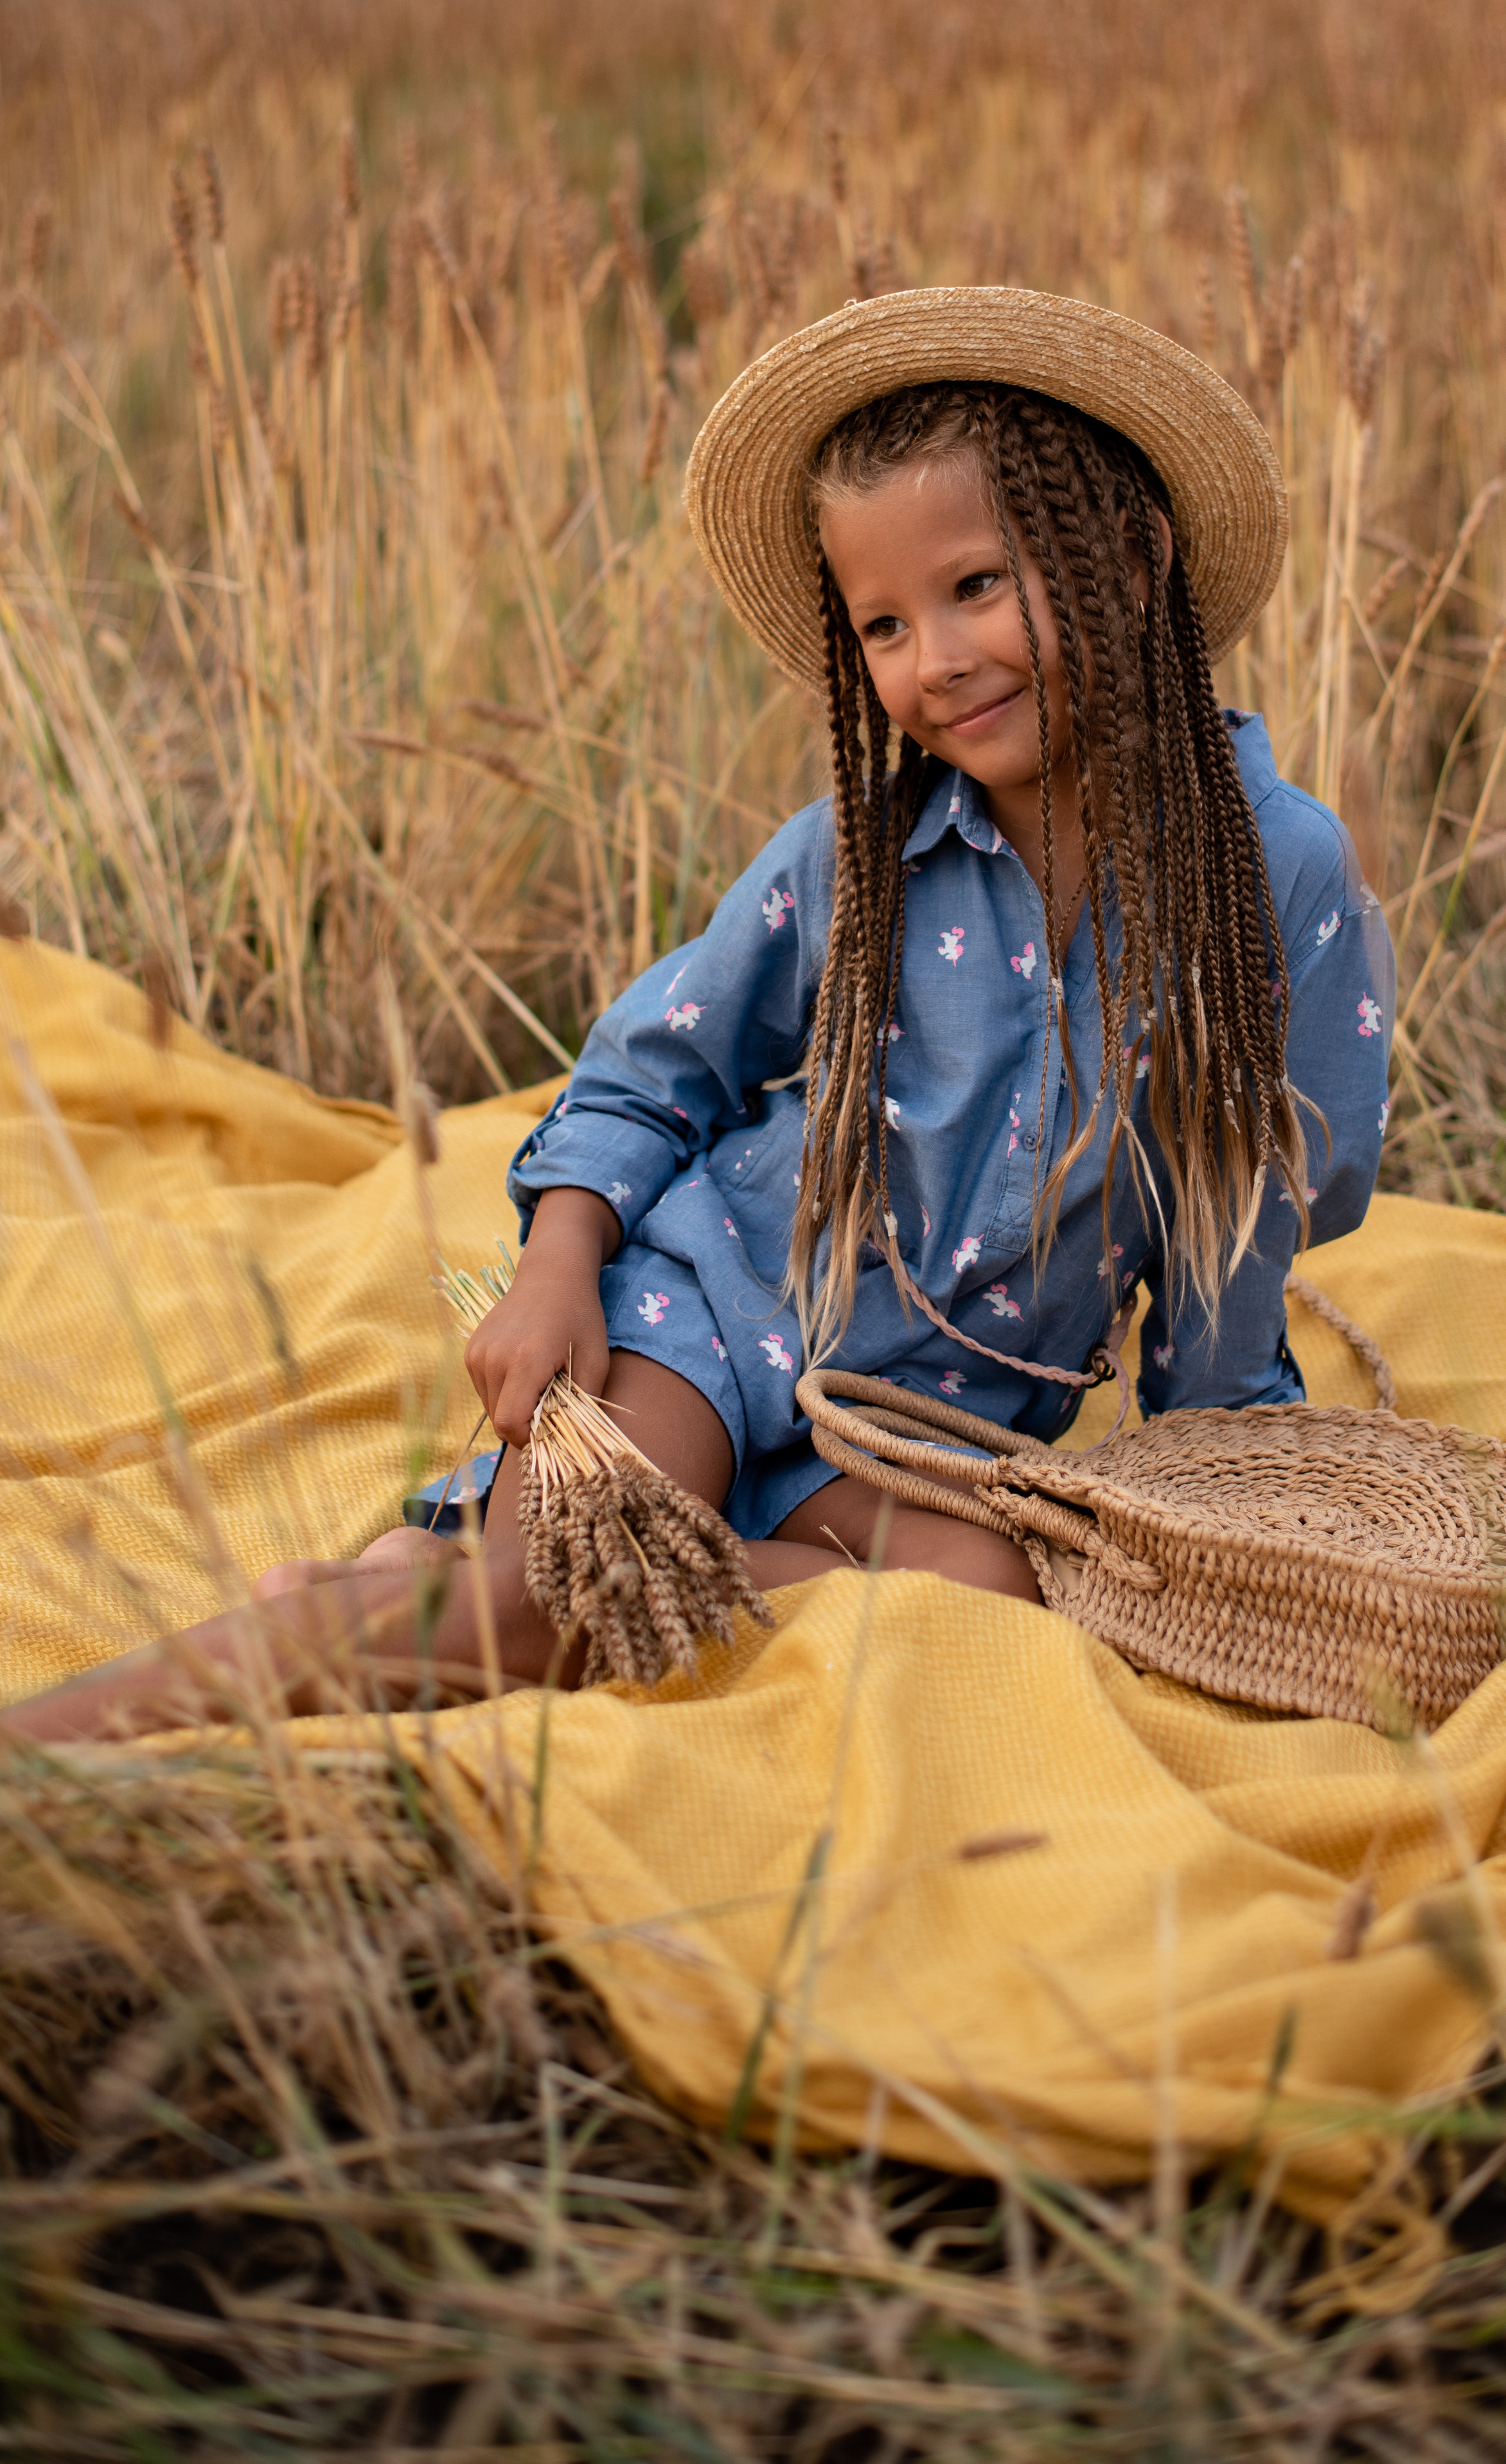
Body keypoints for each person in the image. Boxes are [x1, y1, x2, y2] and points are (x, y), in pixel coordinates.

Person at [0, 288, 1393, 1745]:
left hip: (929, 1426)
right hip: (710, 1311)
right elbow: (647, 1077)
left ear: (1129, 552)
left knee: (993, 1598)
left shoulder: (1270, 876)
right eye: (882, 624)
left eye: (977, 584)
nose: (936, 661)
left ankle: (424, 1582)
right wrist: (554, 1265)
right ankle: (65, 1740)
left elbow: (1251, 1204)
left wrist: (1212, 1472)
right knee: (553, 1599)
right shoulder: (857, 857)